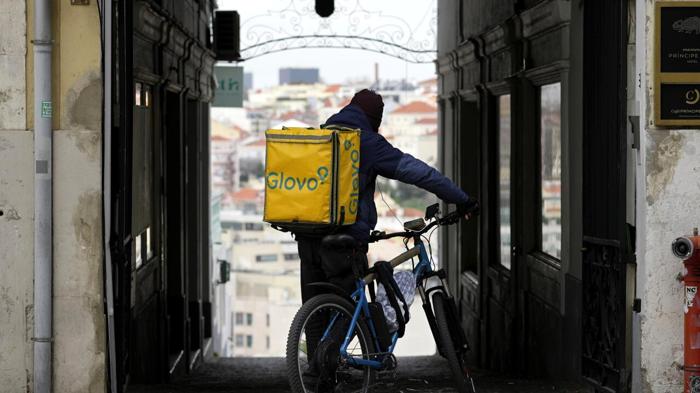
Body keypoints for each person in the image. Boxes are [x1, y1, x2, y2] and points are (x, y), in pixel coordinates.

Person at [295, 89, 478, 377]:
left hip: (306, 237)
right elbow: (418, 172)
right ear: (374, 118)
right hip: (344, 241)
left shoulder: (322, 136)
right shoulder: (365, 142)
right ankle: (328, 362)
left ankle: (316, 371)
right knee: (348, 304)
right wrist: (461, 198)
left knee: (316, 307)